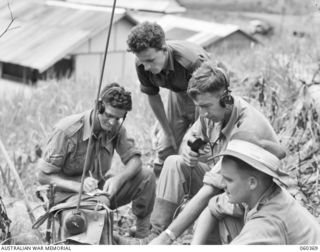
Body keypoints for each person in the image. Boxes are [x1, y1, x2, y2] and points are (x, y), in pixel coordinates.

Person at [116, 62, 285, 244]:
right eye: (199, 107)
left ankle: (165, 240)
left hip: (251, 203)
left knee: (213, 206)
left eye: (206, 106)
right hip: (227, 186)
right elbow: (191, 136)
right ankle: (153, 236)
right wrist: (189, 150)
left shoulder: (247, 129)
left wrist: (169, 236)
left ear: (226, 100)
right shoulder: (213, 113)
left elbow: (211, 188)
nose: (202, 114)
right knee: (174, 162)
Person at [36, 83, 156, 244]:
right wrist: (77, 186)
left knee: (146, 176)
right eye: (109, 115)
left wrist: (118, 179)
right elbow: (43, 176)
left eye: (118, 118)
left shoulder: (115, 128)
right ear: (98, 106)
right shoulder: (67, 131)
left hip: (98, 191)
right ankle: (115, 240)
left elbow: (135, 161)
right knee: (96, 210)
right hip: (67, 197)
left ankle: (142, 236)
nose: (112, 122)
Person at [192, 136, 320, 244]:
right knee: (218, 219)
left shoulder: (266, 223)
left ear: (252, 183)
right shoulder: (258, 193)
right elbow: (212, 207)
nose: (223, 184)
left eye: (229, 180)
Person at [127, 21, 209, 175]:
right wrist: (167, 131)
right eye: (142, 62)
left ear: (164, 50)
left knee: (196, 148)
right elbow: (153, 96)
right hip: (177, 94)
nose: (146, 67)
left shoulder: (192, 62)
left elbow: (207, 100)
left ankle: (194, 187)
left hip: (206, 97)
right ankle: (164, 185)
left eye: (150, 61)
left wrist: (193, 135)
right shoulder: (142, 63)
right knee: (166, 148)